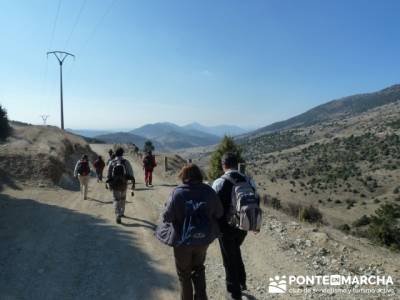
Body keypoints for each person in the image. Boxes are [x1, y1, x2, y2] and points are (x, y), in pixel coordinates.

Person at [156, 164, 223, 300]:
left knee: (184, 274)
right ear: (199, 175)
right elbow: (219, 213)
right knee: (199, 269)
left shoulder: (177, 193)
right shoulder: (209, 191)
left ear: (184, 176)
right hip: (203, 240)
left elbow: (167, 217)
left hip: (182, 242)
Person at [212, 152, 258, 300]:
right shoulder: (248, 180)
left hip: (226, 227)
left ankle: (234, 291)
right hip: (244, 225)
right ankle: (242, 281)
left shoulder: (219, 182)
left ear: (223, 165)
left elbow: (213, 204)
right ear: (235, 164)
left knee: (228, 257)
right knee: (235, 250)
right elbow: (256, 198)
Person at [107, 147, 135, 224]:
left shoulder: (112, 162)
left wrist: (109, 183)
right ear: (122, 153)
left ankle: (117, 214)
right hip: (123, 183)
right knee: (123, 198)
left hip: (115, 184)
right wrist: (131, 182)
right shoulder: (126, 162)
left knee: (116, 199)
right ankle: (122, 212)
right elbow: (130, 173)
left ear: (115, 154)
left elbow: (108, 174)